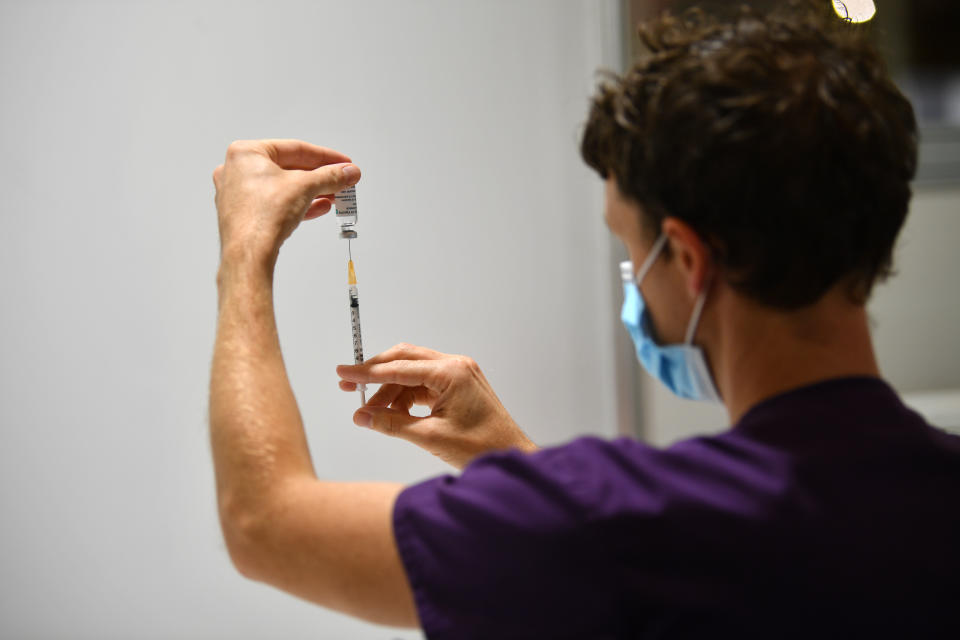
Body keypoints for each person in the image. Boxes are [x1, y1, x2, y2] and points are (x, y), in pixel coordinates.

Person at [208, 3, 959, 638]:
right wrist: (512, 459)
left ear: (690, 262)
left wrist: (245, 250)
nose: (635, 280)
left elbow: (266, 524)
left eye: (633, 247)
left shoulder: (632, 526)